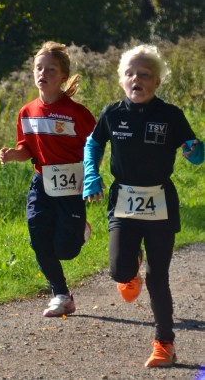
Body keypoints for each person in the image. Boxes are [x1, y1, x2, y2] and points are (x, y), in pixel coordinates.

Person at [82, 44, 204, 368]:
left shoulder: (171, 115)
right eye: (130, 73)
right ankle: (130, 263)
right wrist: (92, 174)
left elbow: (196, 151)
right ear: (122, 80)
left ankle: (165, 343)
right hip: (124, 200)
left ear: (157, 82)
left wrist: (194, 151)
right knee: (119, 271)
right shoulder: (112, 114)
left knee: (158, 277)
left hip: (160, 203)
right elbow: (93, 143)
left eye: (145, 74)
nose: (137, 78)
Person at [0, 41, 96, 317]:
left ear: (63, 77)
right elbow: (27, 148)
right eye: (38, 68)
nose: (43, 73)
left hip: (71, 184)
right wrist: (13, 155)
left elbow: (95, 145)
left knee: (66, 250)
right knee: (38, 238)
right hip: (41, 182)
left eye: (51, 69)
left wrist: (91, 175)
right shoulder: (26, 112)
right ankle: (61, 294)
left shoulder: (77, 113)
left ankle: (79, 229)